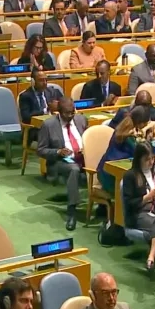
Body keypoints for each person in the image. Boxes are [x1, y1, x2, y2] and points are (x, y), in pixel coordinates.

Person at [122, 142, 155, 278]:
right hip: (140, 213)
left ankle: (152, 258)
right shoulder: (130, 176)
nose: (151, 162)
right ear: (138, 159)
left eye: (153, 158)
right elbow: (129, 205)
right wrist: (148, 197)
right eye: (147, 159)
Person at [38, 97, 88, 231]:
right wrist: (58, 151)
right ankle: (72, 210)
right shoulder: (48, 125)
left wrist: (86, 149)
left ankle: (103, 206)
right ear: (59, 112)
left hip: (83, 158)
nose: (71, 116)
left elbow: (88, 139)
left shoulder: (81, 119)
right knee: (74, 170)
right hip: (60, 162)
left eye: (73, 112)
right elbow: (41, 150)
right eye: (67, 113)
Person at [97, 105, 154, 194]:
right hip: (111, 175)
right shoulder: (129, 135)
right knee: (137, 185)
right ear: (141, 123)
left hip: (105, 171)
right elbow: (141, 152)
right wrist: (149, 138)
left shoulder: (123, 127)